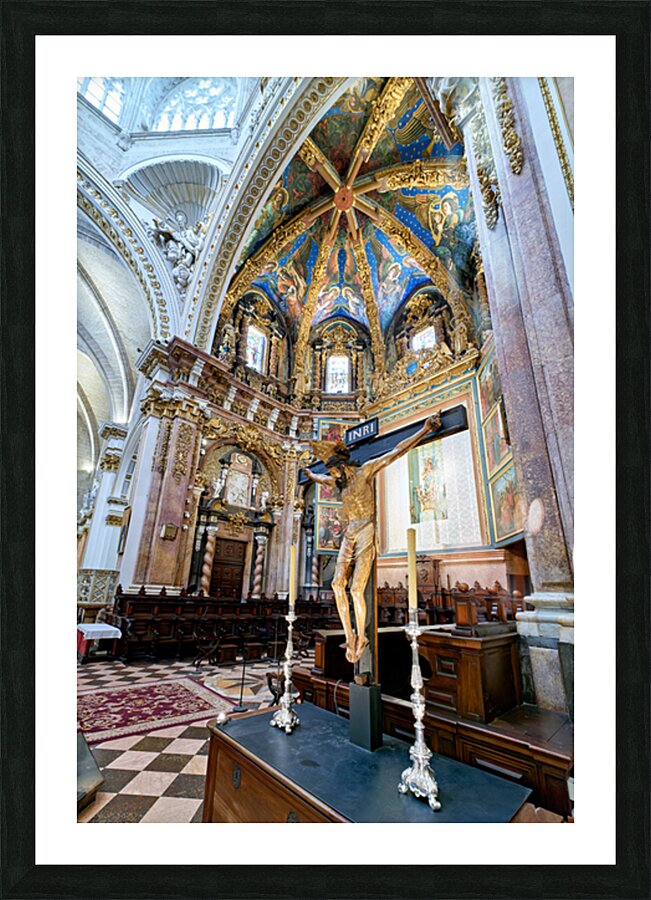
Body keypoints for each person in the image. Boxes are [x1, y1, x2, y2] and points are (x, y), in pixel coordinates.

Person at [304, 413, 441, 663]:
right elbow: (320, 478)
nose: (333, 476)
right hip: (350, 532)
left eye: (334, 471)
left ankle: (362, 635)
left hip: (366, 528)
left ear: (342, 466)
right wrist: (310, 475)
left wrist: (423, 430)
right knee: (337, 585)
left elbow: (396, 451)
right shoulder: (339, 483)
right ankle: (350, 635)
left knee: (356, 588)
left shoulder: (365, 471)